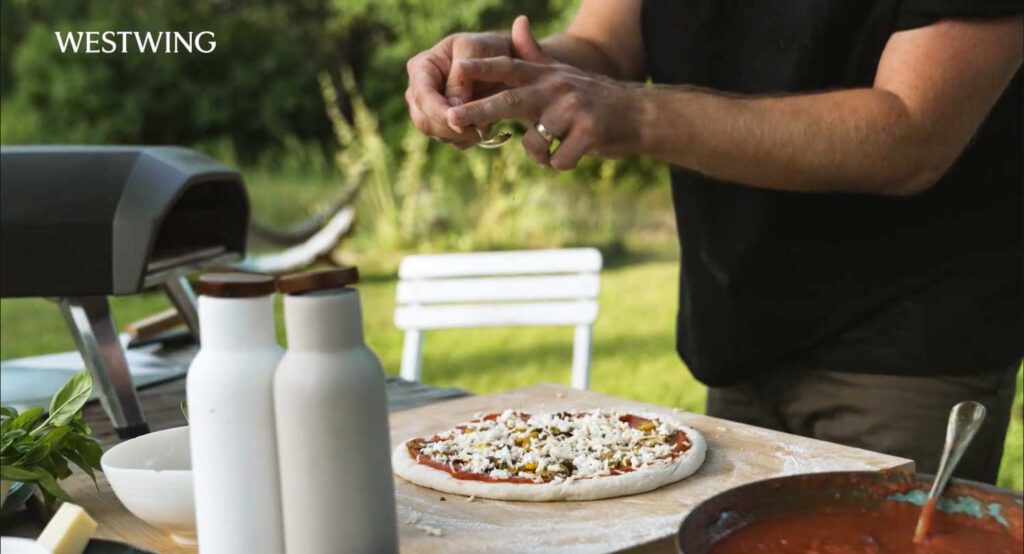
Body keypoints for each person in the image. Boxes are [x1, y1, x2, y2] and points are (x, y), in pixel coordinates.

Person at [404, 1, 1023, 483]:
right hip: (737, 335)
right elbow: (601, 46)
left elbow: (911, 134)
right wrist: (503, 69)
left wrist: (640, 114)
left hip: (904, 354)